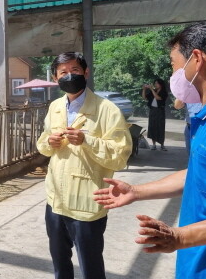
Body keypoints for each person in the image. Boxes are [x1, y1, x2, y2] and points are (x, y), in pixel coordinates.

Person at [93, 23, 206, 279]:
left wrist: (179, 236)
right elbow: (198, 174)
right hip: (201, 262)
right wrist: (137, 191)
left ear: (196, 58)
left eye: (174, 64)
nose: (173, 74)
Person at [36, 52, 132, 279]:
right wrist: (49, 142)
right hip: (56, 201)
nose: (70, 76)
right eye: (63, 73)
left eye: (75, 71)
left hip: (87, 203)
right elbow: (44, 143)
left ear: (86, 72)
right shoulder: (55, 107)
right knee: (60, 264)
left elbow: (120, 155)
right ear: (55, 77)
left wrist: (87, 141)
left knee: (91, 268)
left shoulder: (107, 110)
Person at [141, 78, 169, 150]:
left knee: (160, 127)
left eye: (157, 83)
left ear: (160, 84)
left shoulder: (164, 92)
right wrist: (144, 89)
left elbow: (158, 98)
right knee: (152, 126)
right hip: (153, 110)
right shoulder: (153, 91)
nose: (155, 85)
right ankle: (154, 145)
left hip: (160, 111)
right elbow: (144, 98)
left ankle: (162, 145)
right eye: (155, 83)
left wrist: (152, 89)